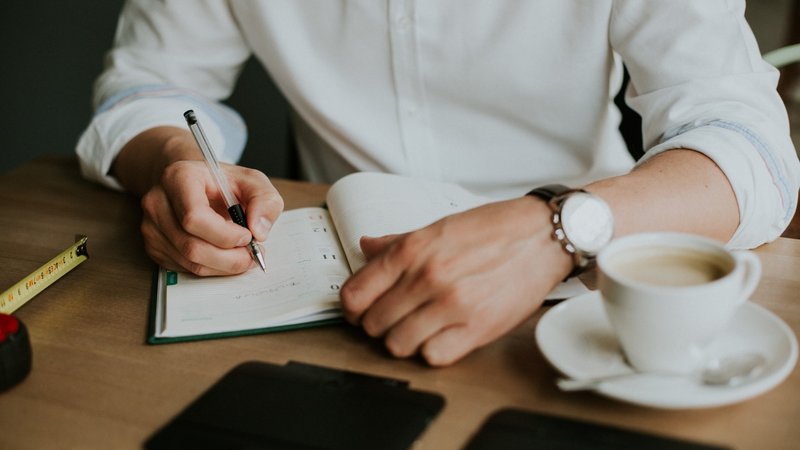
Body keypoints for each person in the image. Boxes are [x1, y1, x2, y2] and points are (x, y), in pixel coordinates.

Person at [77, 1, 800, 366]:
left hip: (585, 296)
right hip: (334, 311)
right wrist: (169, 155)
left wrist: (559, 228)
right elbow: (146, 82)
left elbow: (754, 148)